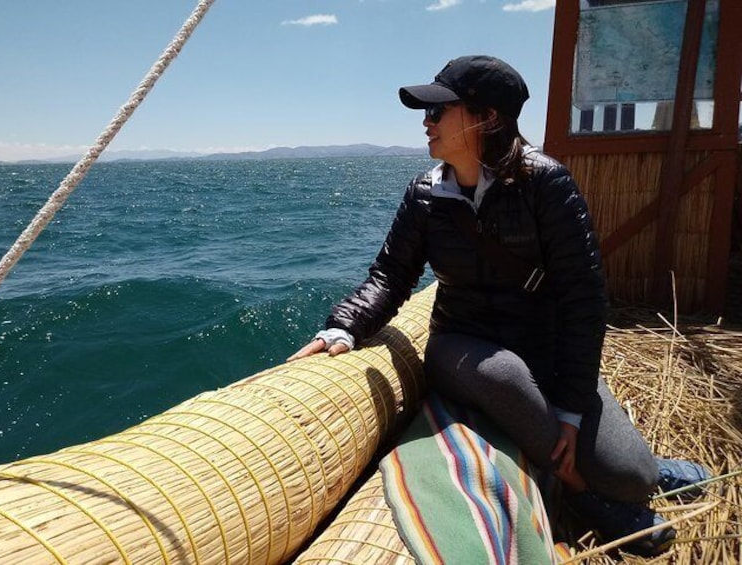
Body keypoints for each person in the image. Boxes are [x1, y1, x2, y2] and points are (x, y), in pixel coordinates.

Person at [288, 55, 709, 556]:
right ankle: (579, 493)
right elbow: (390, 275)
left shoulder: (546, 184)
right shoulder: (424, 194)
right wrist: (342, 329)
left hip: (546, 347)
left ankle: (644, 469)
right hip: (462, 347)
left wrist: (572, 411)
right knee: (505, 375)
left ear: (486, 119)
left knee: (633, 476)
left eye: (438, 111)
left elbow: (583, 300)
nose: (426, 122)